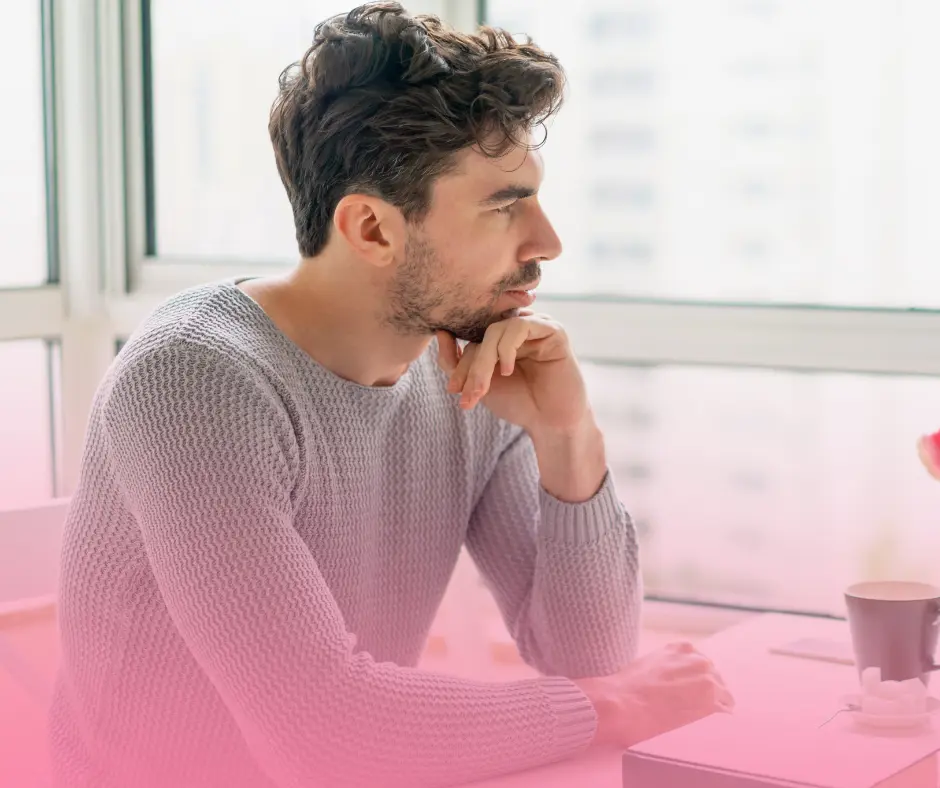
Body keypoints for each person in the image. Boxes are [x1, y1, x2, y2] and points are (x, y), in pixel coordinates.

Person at [48, 3, 733, 786]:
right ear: (372, 229)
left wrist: (568, 438)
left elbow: (590, 660)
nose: (547, 243)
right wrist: (613, 709)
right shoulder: (195, 380)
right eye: (505, 205)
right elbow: (327, 735)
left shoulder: (467, 374)